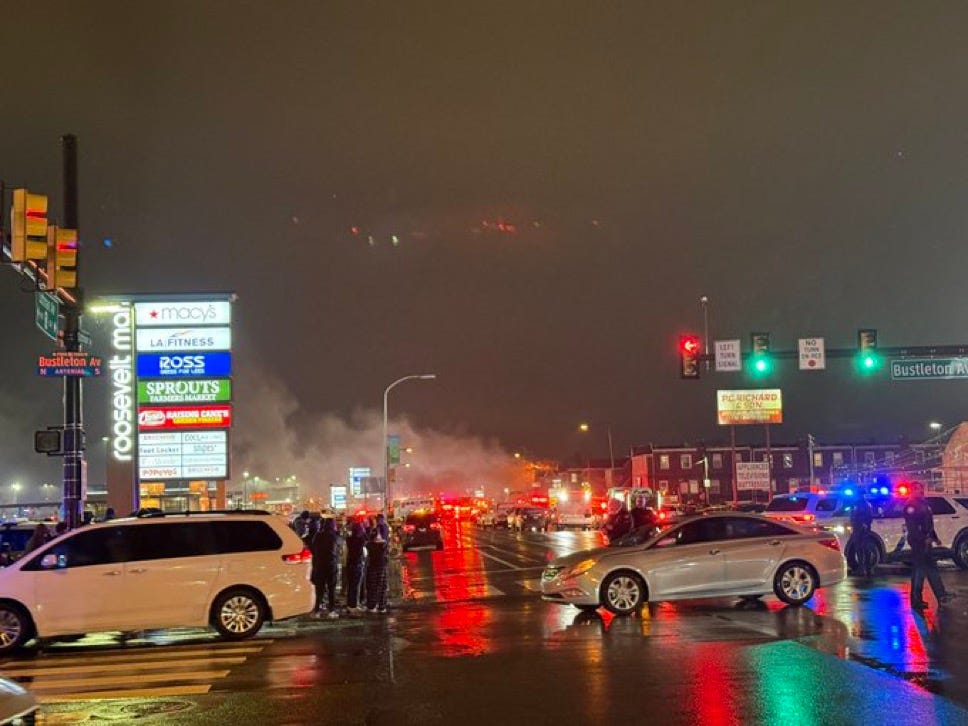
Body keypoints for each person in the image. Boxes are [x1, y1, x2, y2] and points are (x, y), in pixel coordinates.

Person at [903, 481, 953, 610]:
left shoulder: (923, 504)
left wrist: (935, 538)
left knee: (930, 568)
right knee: (920, 571)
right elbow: (913, 527)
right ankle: (917, 600)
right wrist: (923, 539)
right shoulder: (911, 505)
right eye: (918, 489)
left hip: (926, 542)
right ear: (913, 490)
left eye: (922, 489)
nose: (921, 491)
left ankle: (940, 595)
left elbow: (928, 524)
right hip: (919, 543)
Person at [310, 518, 343, 618]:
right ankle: (331, 610)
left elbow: (312, 548)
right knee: (331, 588)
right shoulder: (335, 536)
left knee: (319, 589)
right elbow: (340, 546)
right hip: (331, 565)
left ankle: (316, 610)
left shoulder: (318, 535)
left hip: (319, 565)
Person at [364, 519, 389, 613]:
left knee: (372, 586)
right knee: (382, 586)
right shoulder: (383, 544)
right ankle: (381, 606)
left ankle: (371, 606)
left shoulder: (369, 545)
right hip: (381, 566)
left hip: (372, 566)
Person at [847, 494, 875, 576]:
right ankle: (863, 569)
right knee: (859, 549)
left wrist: (864, 524)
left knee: (864, 549)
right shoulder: (856, 504)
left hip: (862, 530)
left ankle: (867, 569)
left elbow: (869, 517)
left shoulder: (864, 504)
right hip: (857, 529)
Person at [343, 519, 367, 613]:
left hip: (350, 564)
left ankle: (350, 604)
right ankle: (354, 605)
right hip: (358, 564)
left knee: (351, 585)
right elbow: (366, 537)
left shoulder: (349, 539)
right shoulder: (361, 540)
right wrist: (365, 527)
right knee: (356, 586)